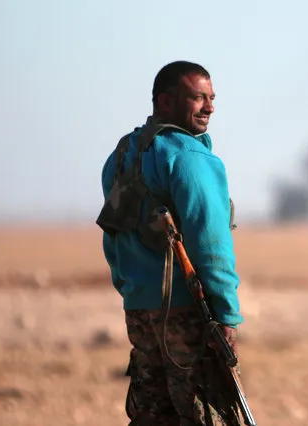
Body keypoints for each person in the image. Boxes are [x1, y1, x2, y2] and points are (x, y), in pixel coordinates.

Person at [99, 61, 245, 425]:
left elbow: (112, 237)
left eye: (211, 98)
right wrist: (226, 316)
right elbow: (212, 248)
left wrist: (132, 291)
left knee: (152, 417)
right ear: (165, 102)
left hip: (140, 314)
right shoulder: (190, 158)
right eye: (198, 98)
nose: (209, 107)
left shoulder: (121, 155)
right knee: (208, 417)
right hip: (186, 314)